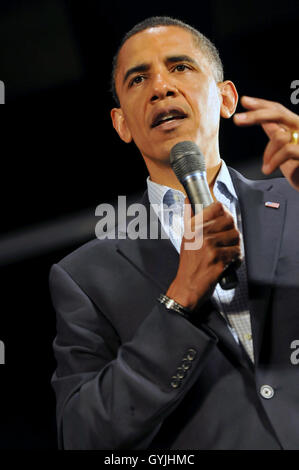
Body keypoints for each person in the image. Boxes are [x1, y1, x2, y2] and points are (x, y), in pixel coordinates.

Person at [49, 16, 299, 450]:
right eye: (138, 79)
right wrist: (179, 300)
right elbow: (83, 435)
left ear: (226, 98)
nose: (161, 87)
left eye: (180, 67)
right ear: (121, 124)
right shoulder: (84, 277)